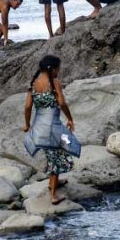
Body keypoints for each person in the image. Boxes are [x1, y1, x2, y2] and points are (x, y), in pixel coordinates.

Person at [21, 55, 75, 205]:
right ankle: (52, 195)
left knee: (52, 155)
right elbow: (62, 103)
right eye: (58, 69)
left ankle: (55, 182)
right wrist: (70, 119)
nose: (59, 72)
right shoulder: (55, 83)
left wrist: (27, 124)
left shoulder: (33, 84)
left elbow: (27, 107)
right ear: (53, 69)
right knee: (57, 155)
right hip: (53, 126)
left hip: (39, 126)